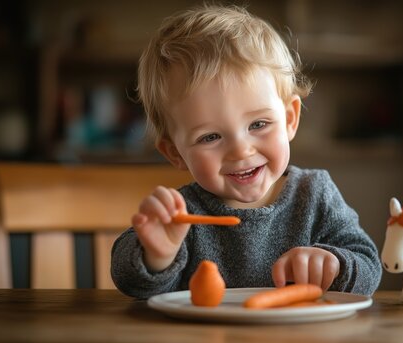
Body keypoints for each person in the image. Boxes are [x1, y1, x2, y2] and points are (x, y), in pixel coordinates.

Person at [111, 4, 382, 299]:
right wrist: (157, 256)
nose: (240, 150)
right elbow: (128, 280)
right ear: (174, 152)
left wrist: (335, 265)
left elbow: (369, 267)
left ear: (290, 119)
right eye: (210, 136)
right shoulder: (183, 216)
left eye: (259, 124)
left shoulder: (315, 194)